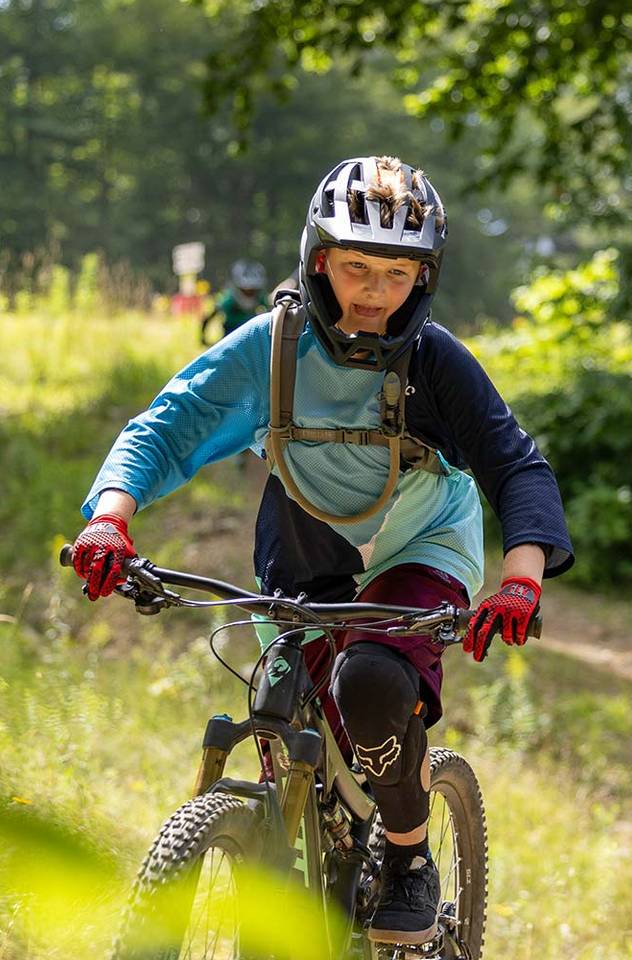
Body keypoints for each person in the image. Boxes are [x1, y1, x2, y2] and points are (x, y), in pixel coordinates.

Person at [69, 156, 573, 945]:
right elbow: (167, 427)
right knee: (279, 700)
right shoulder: (270, 349)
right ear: (317, 261)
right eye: (356, 267)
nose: (375, 291)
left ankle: (407, 855)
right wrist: (109, 518)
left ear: (425, 278)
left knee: (370, 679)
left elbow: (516, 465)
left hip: (422, 548)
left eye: (397, 273)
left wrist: (520, 579)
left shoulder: (433, 361)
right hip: (305, 555)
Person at [199, 258, 269, 344]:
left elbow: (270, 312)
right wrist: (203, 338)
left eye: (253, 290)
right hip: (231, 336)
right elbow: (211, 316)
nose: (250, 293)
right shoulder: (229, 299)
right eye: (246, 290)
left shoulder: (260, 297)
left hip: (252, 336)